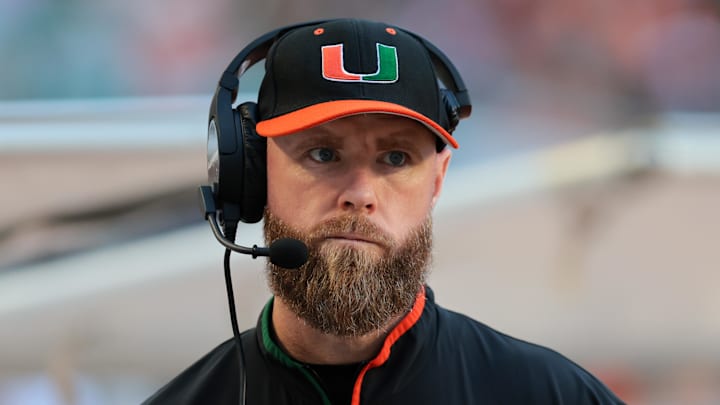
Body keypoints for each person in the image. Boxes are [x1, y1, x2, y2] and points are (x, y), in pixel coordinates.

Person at [143, 18, 625, 405]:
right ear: (253, 170)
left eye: (395, 158)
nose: (360, 193)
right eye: (323, 154)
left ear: (437, 180)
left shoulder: (553, 395)